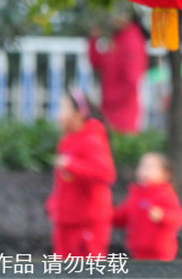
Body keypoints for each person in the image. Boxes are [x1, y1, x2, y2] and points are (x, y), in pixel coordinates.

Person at [46, 89, 116, 258]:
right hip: (66, 223)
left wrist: (72, 165)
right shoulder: (67, 140)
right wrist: (55, 203)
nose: (59, 115)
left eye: (63, 109)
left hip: (86, 225)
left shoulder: (92, 139)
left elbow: (106, 174)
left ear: (79, 113)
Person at [113, 153, 182, 260]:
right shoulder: (135, 194)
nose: (144, 171)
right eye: (142, 167)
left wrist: (163, 216)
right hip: (137, 250)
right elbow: (121, 216)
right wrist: (105, 214)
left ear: (165, 174)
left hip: (160, 253)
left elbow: (178, 218)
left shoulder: (165, 194)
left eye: (150, 167)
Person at [88, 13, 148, 133]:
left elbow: (132, 79)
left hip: (123, 111)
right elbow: (98, 63)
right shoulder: (117, 38)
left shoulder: (131, 40)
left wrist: (112, 99)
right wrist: (93, 40)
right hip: (109, 108)